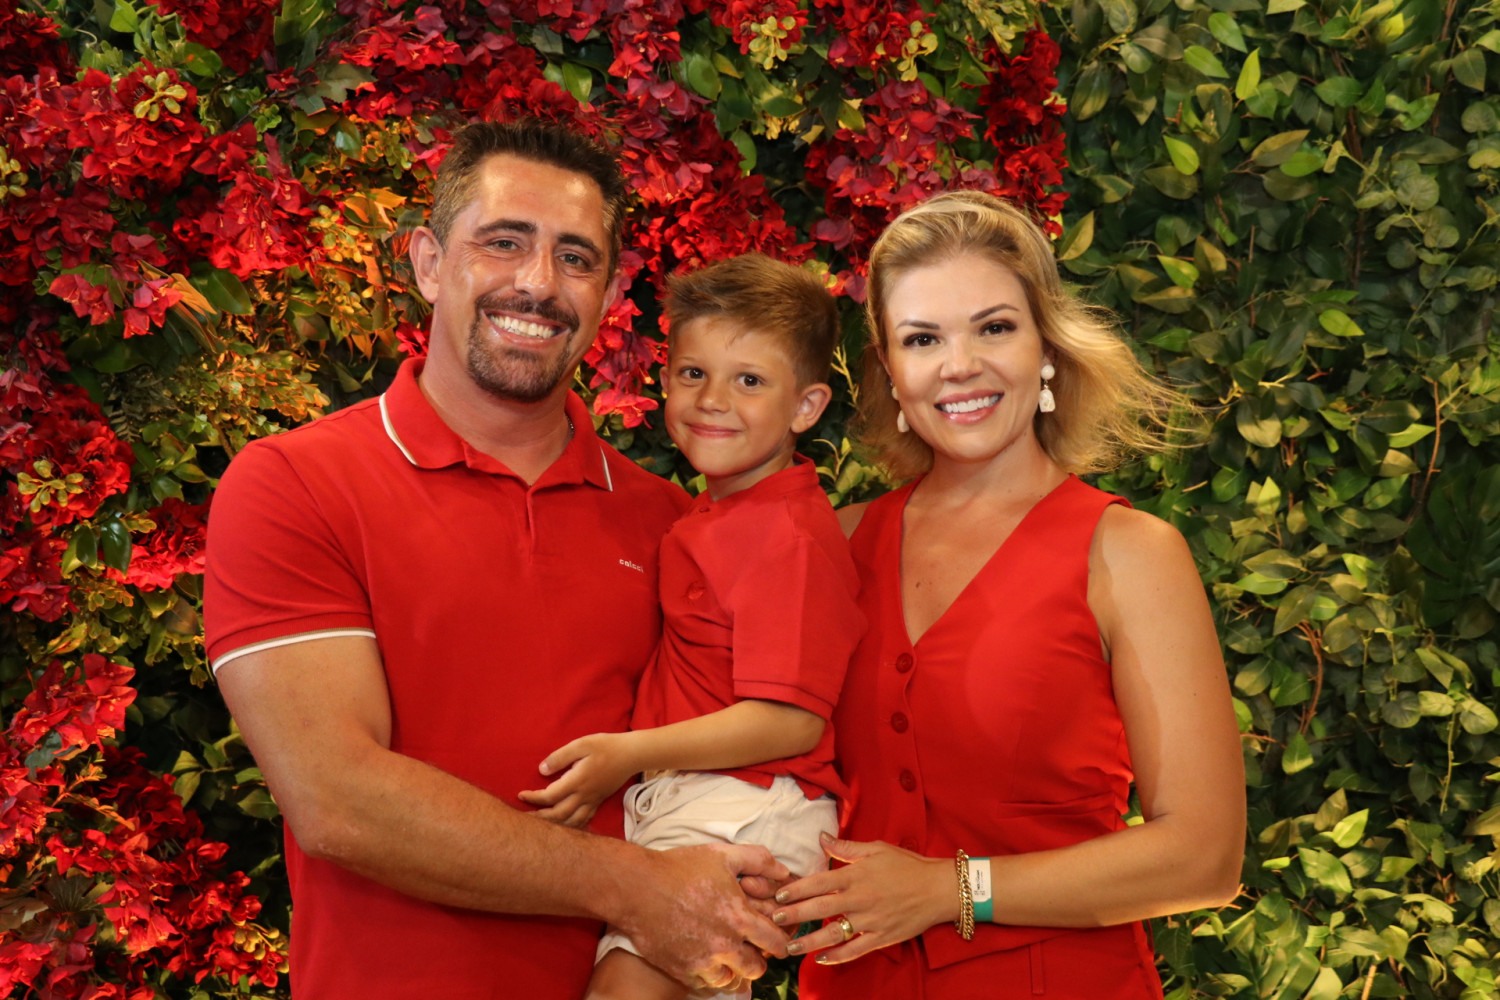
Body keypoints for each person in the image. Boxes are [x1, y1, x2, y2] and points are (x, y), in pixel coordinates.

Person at [202, 121, 792, 1000]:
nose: (538, 283)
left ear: (610, 294)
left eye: (575, 258)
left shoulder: (673, 523)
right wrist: (634, 886)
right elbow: (337, 801)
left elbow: (744, 755)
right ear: (429, 263)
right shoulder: (295, 484)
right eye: (504, 242)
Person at [768, 191, 1246, 999]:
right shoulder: (832, 544)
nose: (959, 365)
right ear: (890, 370)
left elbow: (1203, 858)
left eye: (993, 328)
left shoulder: (1129, 553)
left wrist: (951, 890)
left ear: (1045, 346)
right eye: (923, 339)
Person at [515, 253, 865, 1000]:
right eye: (693, 373)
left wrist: (627, 754)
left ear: (806, 407)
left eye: (750, 381)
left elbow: (792, 719)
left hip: (747, 802)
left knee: (625, 989)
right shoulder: (719, 512)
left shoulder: (788, 536)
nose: (713, 400)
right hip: (708, 796)